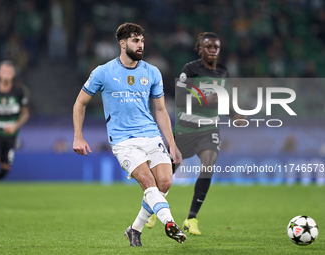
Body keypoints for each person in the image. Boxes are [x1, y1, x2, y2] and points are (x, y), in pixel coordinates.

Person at [72, 22, 187, 246]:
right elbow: (80, 103)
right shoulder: (103, 72)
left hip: (151, 135)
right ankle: (170, 223)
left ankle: (134, 230)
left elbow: (161, 110)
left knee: (164, 183)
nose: (140, 44)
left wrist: (172, 144)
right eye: (135, 40)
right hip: (124, 140)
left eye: (142, 40)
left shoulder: (152, 72)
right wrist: (78, 136)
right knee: (147, 181)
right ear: (122, 43)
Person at [145, 32, 245, 235]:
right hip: (185, 129)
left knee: (208, 166)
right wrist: (207, 99)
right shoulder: (190, 69)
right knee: (166, 174)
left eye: (216, 47)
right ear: (200, 49)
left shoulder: (223, 73)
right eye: (208, 47)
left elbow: (223, 101)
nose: (213, 50)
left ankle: (191, 218)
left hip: (209, 129)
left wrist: (234, 114)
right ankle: (152, 209)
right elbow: (180, 99)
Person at [0, 60, 30, 209]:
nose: (6, 74)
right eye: (3, 71)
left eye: (9, 72)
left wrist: (15, 125)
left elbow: (25, 113)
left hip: (11, 136)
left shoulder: (19, 92)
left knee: (5, 169)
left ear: (13, 75)